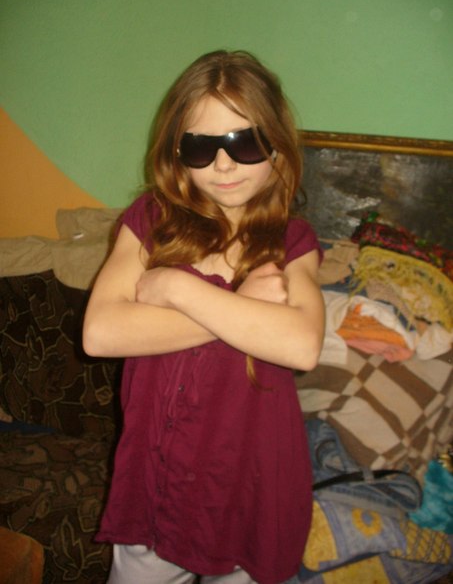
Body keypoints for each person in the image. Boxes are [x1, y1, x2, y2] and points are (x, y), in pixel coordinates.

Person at [83, 50, 325, 584]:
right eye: (201, 146)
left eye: (244, 142)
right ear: (176, 152)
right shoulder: (152, 221)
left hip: (246, 482)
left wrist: (177, 288)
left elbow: (301, 345)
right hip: (156, 476)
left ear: (276, 144)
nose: (223, 164)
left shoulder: (291, 242)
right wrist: (243, 305)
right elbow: (101, 333)